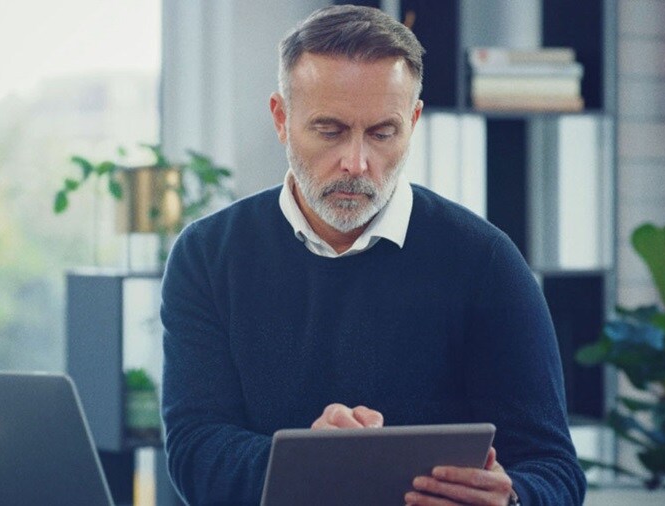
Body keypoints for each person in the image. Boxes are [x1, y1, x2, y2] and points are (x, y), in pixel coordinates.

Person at [160, 5, 586, 505]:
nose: (356, 163)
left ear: (413, 120)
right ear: (281, 118)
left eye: (383, 133)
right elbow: (195, 450)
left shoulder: (485, 262)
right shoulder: (207, 256)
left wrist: (513, 499)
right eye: (330, 130)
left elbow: (556, 470)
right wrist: (310, 465)